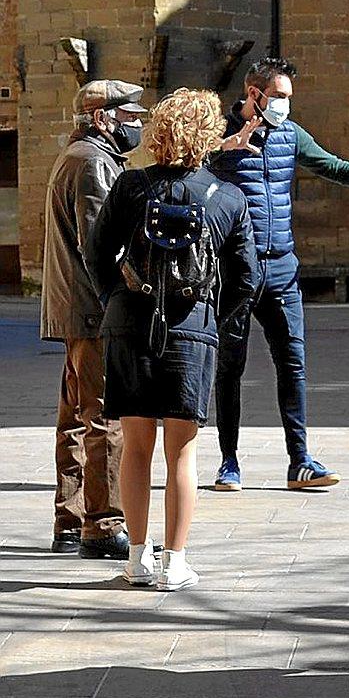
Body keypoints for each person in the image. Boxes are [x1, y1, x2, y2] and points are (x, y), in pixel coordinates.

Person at [209, 56, 349, 492]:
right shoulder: (218, 132)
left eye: (288, 98)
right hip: (234, 270)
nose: (284, 106)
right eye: (277, 97)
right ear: (252, 94)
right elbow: (176, 160)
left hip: (282, 269)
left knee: (292, 364)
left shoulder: (290, 135)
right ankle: (229, 462)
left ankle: (300, 461)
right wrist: (221, 148)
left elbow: (331, 165)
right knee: (229, 367)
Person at [85, 88, 258, 591]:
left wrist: (114, 300)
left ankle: (137, 558)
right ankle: (175, 562)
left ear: (158, 131)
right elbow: (247, 277)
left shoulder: (130, 186)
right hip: (193, 330)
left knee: (136, 448)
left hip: (130, 325)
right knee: (182, 452)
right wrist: (214, 320)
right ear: (208, 136)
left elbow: (96, 252)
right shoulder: (228, 197)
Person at [41, 79, 147, 558]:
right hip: (93, 311)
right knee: (105, 416)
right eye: (129, 117)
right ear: (103, 117)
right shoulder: (93, 163)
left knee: (75, 417)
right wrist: (129, 297)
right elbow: (101, 247)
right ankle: (102, 524)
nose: (137, 125)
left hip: (74, 308)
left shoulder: (76, 156)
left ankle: (70, 517)